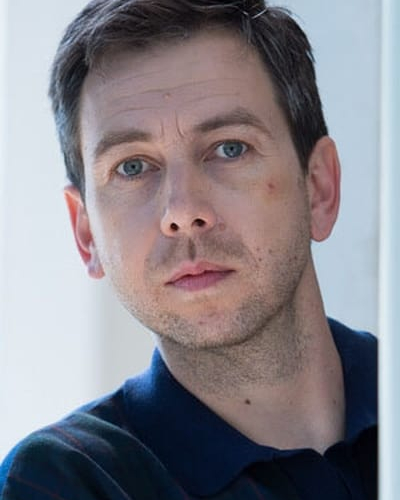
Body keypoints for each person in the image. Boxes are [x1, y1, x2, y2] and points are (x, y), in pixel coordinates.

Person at [0, 0, 377, 499]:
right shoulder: (65, 479)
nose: (182, 210)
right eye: (132, 167)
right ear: (86, 233)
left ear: (318, 188)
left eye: (229, 148)